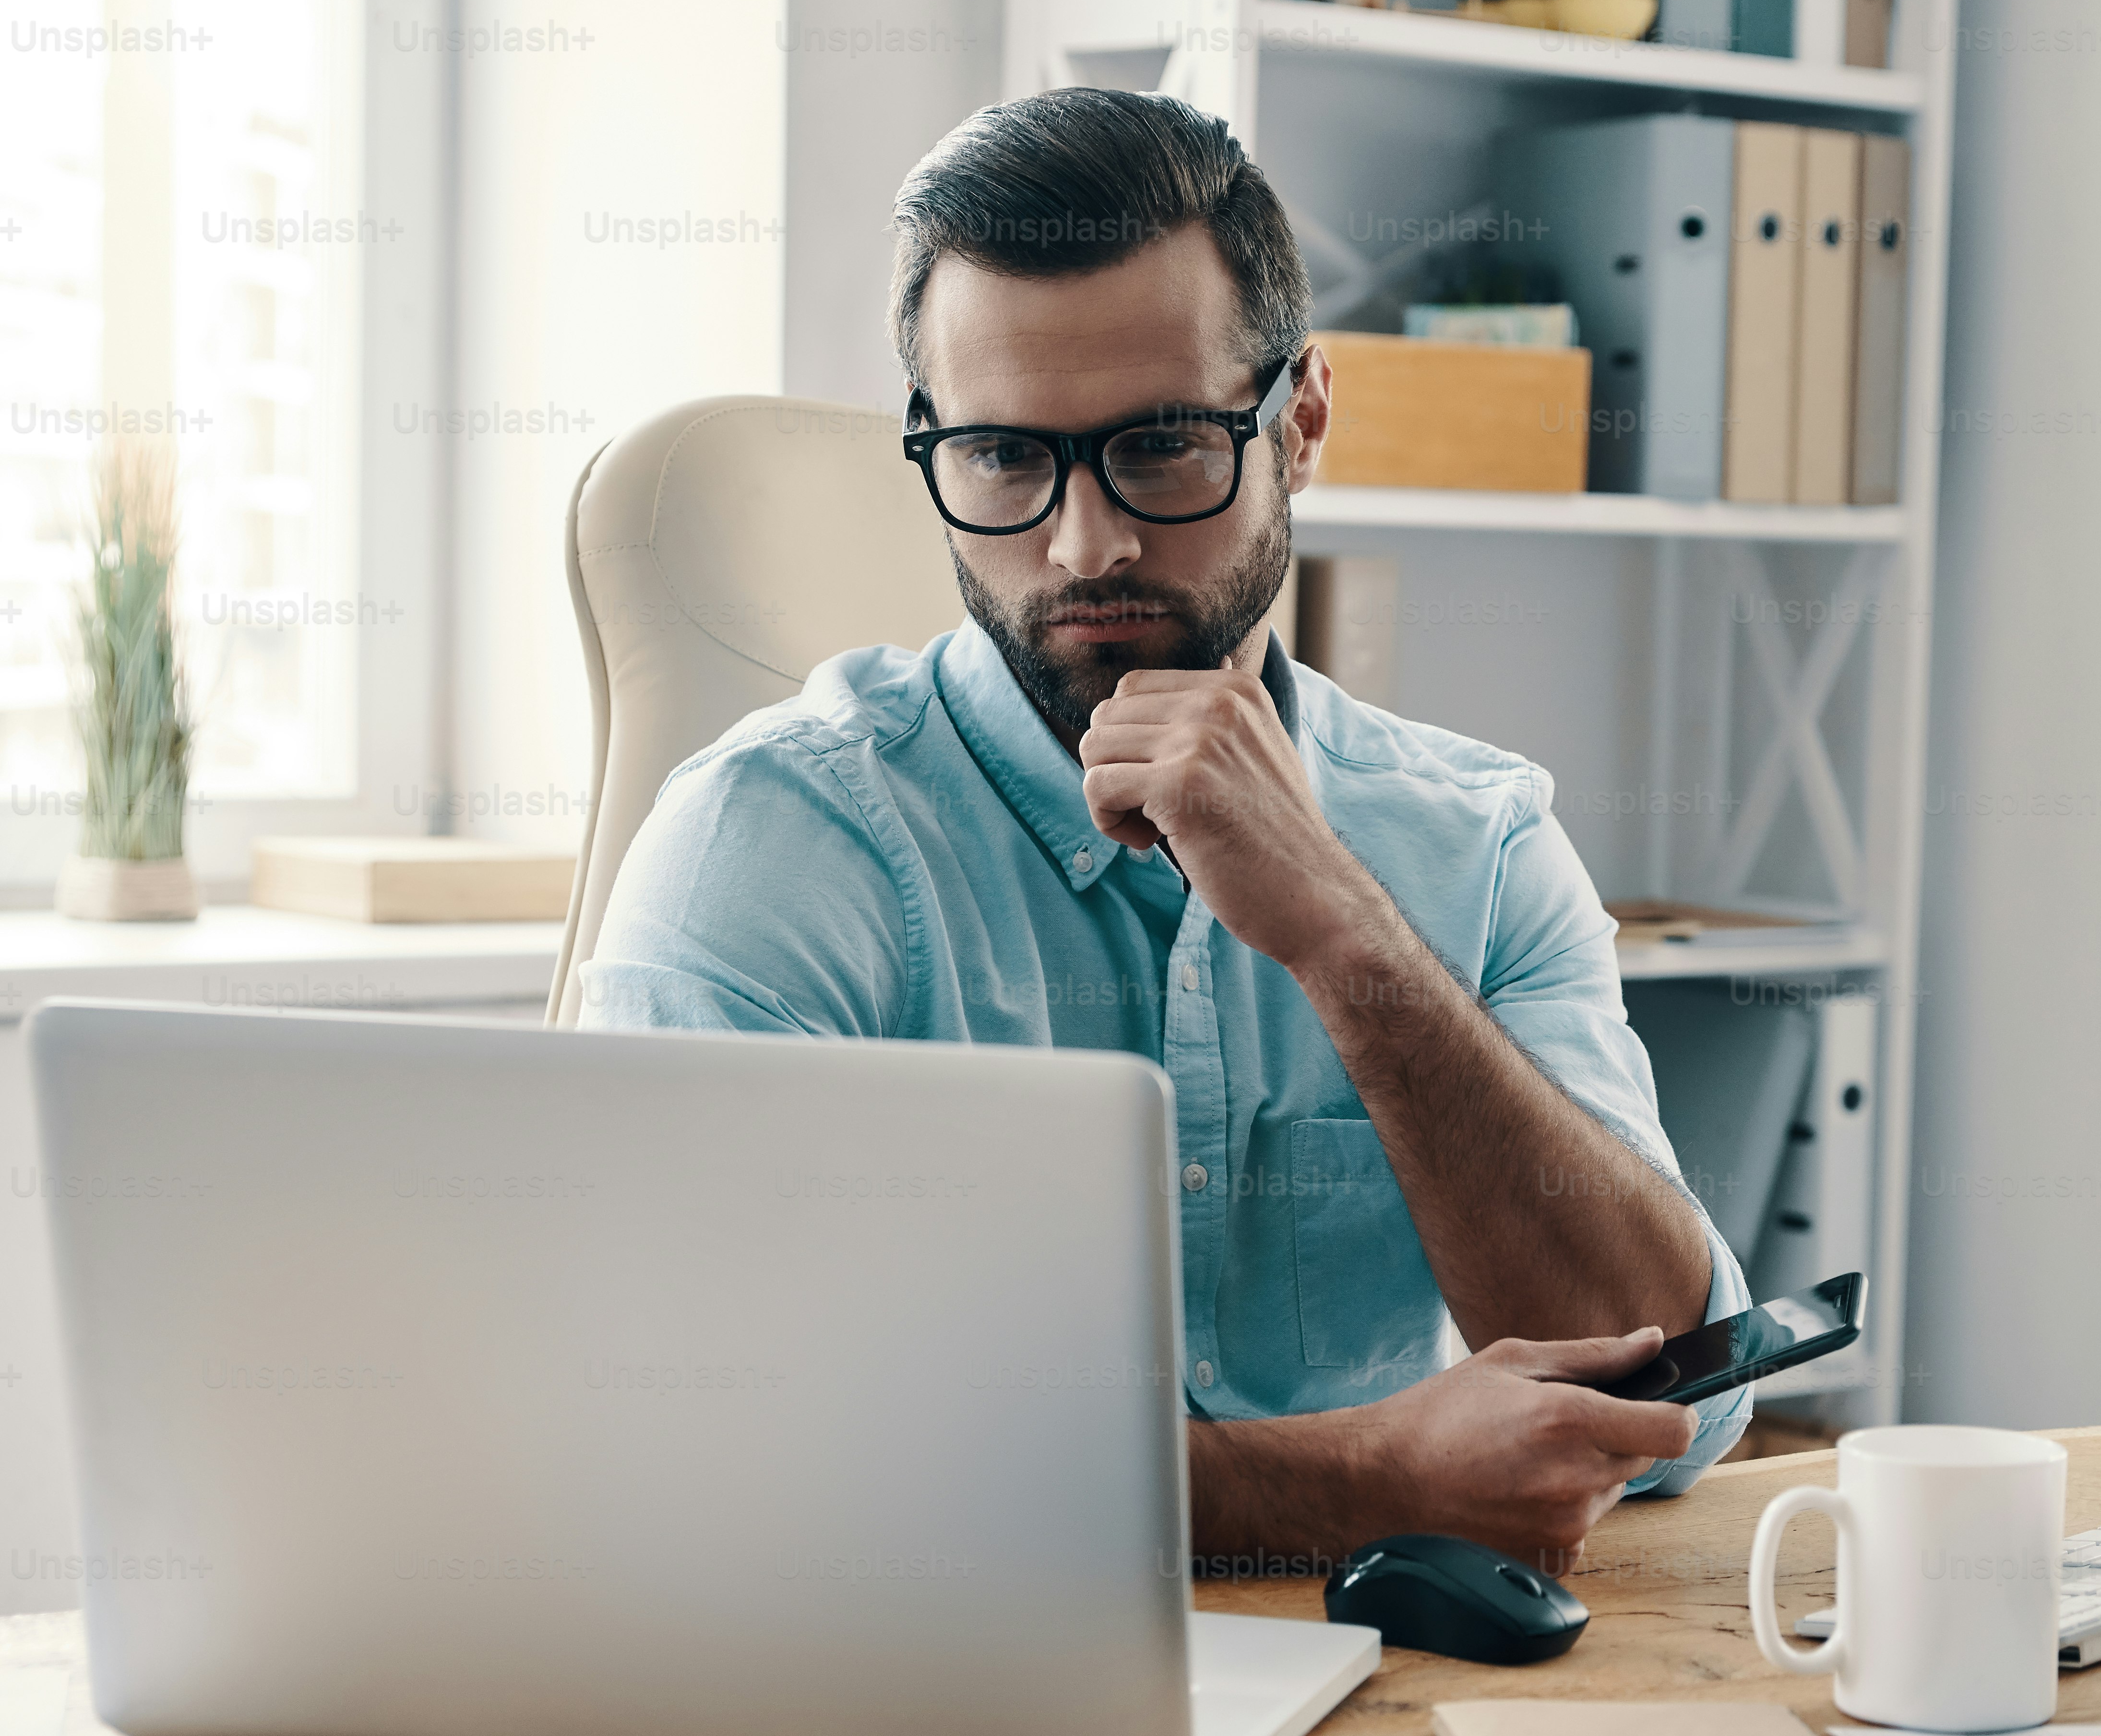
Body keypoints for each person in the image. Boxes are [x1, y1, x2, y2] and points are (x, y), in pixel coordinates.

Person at [577, 86, 1751, 1569]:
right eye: (1005, 457)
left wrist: (1344, 934)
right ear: (933, 446)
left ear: (1300, 422)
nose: (1086, 547)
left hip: (1389, 1705)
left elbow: (1666, 1394)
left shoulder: (1480, 840)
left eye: (1164, 447)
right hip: (940, 1709)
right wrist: (1362, 1480)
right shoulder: (771, 849)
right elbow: (689, 1450)